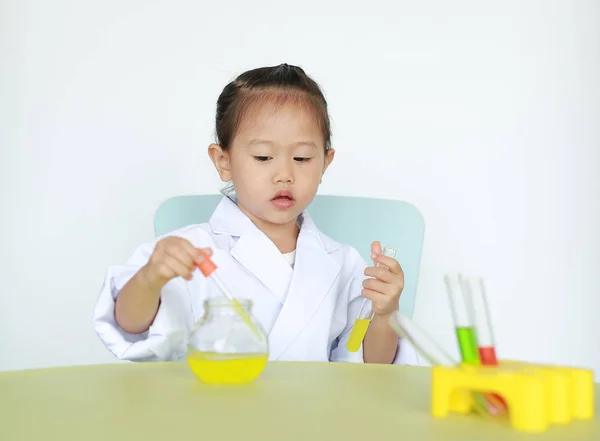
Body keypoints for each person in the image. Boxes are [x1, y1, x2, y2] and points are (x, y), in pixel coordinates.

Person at [93, 63, 419, 365]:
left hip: (309, 420)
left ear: (325, 163)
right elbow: (129, 327)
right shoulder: (185, 250)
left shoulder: (344, 263)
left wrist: (386, 312)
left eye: (302, 158)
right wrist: (151, 278)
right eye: (263, 157)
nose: (284, 174)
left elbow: (367, 363)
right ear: (224, 161)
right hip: (209, 416)